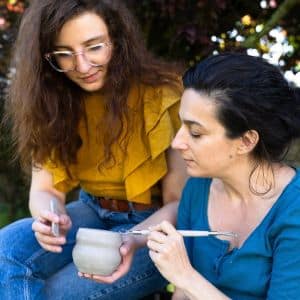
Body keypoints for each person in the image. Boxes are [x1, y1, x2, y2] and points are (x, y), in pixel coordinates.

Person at [0, 0, 187, 299]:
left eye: (94, 47)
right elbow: (45, 190)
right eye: (64, 54)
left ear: (118, 40)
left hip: (153, 229)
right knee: (5, 249)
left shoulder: (164, 94)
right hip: (90, 213)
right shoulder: (51, 101)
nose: (83, 66)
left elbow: (180, 206)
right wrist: (51, 219)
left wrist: (129, 239)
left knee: (55, 294)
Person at [146, 53, 300, 300]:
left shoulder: (293, 211)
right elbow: (182, 295)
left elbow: (185, 281)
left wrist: (185, 275)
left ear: (246, 141)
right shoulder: (197, 188)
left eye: (195, 133)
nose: (177, 142)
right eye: (181, 127)